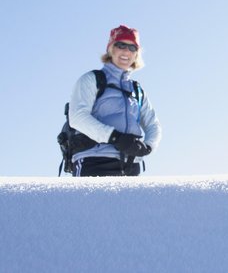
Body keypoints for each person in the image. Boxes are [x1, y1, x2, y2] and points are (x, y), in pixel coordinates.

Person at [68, 25, 162, 176]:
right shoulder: (92, 80)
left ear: (136, 54)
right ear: (111, 49)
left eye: (132, 47)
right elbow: (77, 117)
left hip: (131, 165)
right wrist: (115, 138)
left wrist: (148, 146)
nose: (126, 51)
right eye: (121, 45)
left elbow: (153, 124)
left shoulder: (137, 90)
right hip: (93, 161)